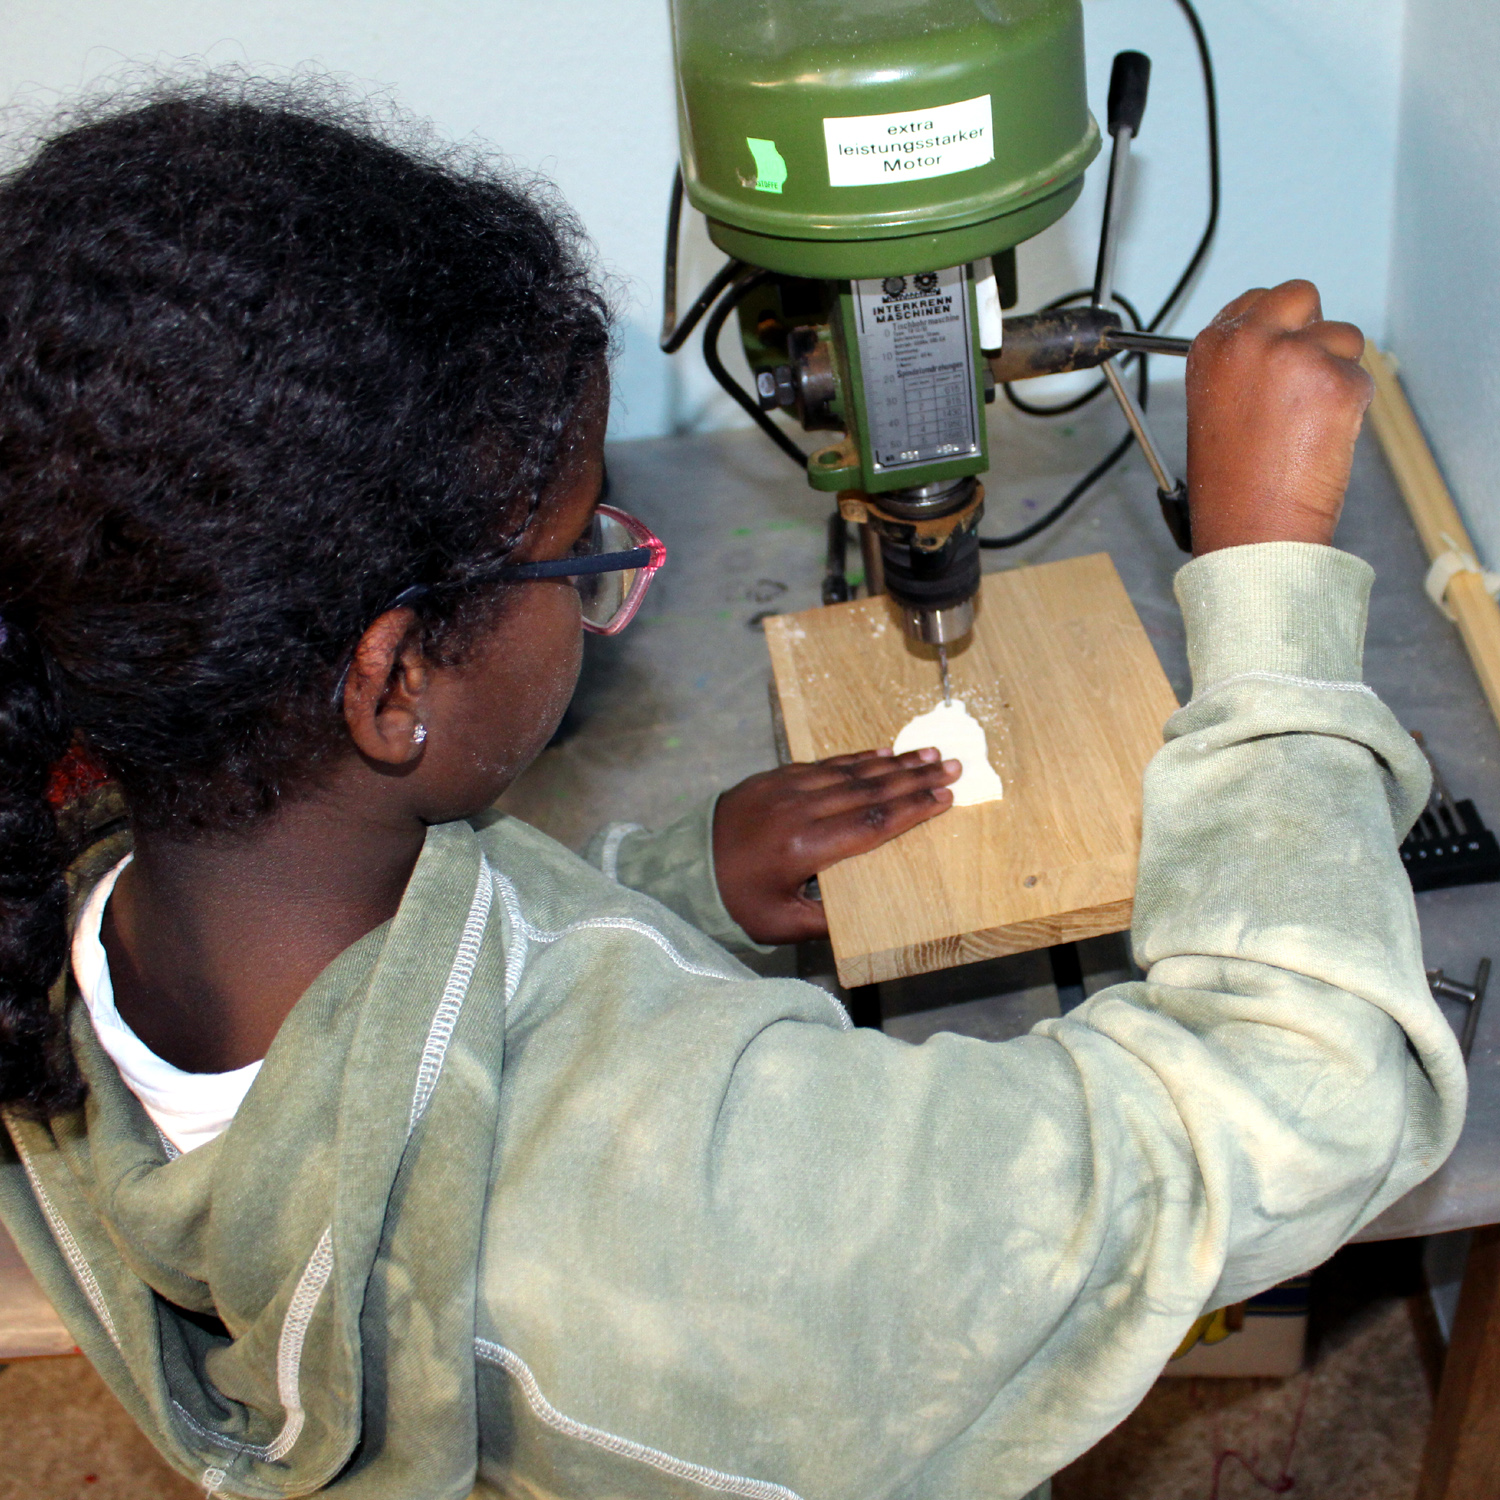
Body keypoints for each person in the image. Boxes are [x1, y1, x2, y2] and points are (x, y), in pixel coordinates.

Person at [0, 85, 1465, 1500]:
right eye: (583, 548)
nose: (606, 578)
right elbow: (1305, 1103)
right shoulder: (707, 1224)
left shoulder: (95, 925)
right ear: (392, 686)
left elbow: (413, 1013)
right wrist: (1268, 576)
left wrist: (671, 886)